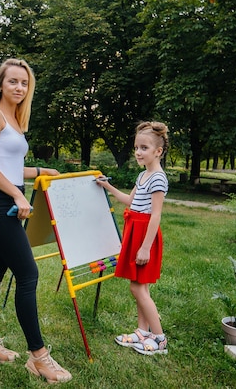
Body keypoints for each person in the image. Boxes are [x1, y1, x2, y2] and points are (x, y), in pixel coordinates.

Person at [0, 58, 72, 383]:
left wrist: (40, 172)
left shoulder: (16, 121)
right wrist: (18, 195)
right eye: (13, 81)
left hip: (7, 203)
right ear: (1, 84)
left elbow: (11, 167)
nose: (19, 87)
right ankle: (39, 358)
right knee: (28, 274)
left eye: (24, 83)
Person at [95, 121, 169, 355]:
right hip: (134, 231)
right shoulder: (143, 175)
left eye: (144, 148)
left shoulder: (158, 178)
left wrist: (145, 247)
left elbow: (155, 215)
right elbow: (130, 201)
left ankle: (159, 339)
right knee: (139, 287)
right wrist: (108, 187)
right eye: (137, 147)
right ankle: (141, 332)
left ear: (158, 151)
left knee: (138, 289)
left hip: (145, 236)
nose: (138, 152)